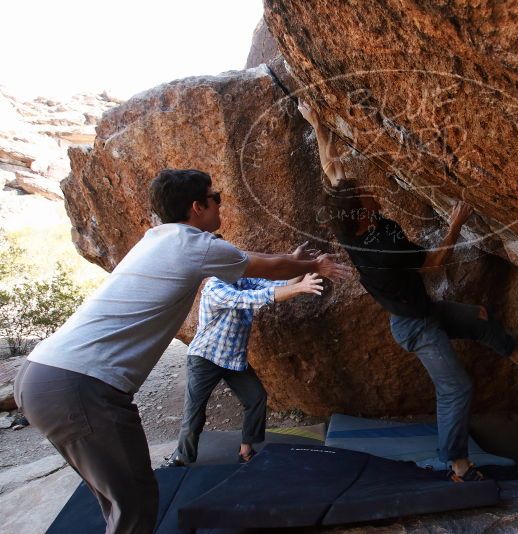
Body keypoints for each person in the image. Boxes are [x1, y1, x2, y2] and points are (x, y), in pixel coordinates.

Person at [13, 168, 349, 534]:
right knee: (136, 502)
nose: (220, 202)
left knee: (117, 498)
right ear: (196, 207)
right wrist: (313, 265)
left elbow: (253, 260)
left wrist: (292, 260)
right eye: (215, 197)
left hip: (40, 375)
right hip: (79, 387)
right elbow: (267, 269)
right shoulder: (196, 246)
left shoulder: (161, 238)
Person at [298, 102, 518, 482]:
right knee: (456, 388)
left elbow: (333, 170)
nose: (369, 192)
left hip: (422, 309)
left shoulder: (354, 222)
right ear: (363, 217)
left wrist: (317, 125)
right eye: (365, 197)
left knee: (479, 317)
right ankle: (458, 465)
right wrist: (455, 223)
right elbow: (432, 264)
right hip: (415, 325)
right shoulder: (382, 248)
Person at [164, 265, 324, 467]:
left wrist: (303, 267)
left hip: (233, 359)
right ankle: (181, 458)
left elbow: (280, 285)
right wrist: (301, 287)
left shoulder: (243, 281)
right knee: (195, 409)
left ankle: (246, 450)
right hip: (205, 357)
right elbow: (252, 299)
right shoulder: (215, 287)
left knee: (256, 397)